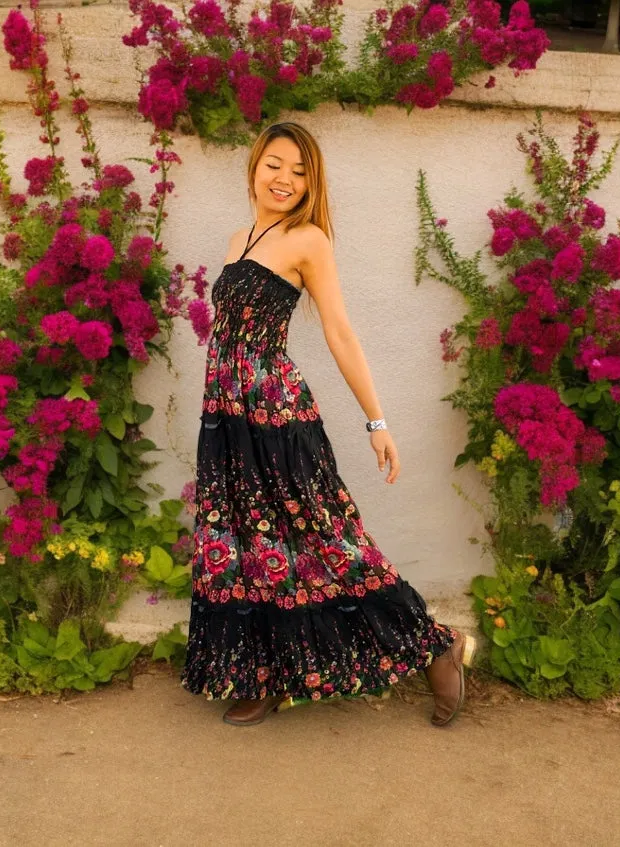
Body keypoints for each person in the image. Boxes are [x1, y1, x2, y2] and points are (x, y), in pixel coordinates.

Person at [181, 121, 471, 727]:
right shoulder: (239, 238)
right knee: (246, 550)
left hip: (280, 422)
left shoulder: (307, 239)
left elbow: (339, 332)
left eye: (299, 170)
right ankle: (261, 676)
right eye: (275, 165)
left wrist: (377, 421)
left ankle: (435, 646)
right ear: (255, 166)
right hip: (228, 422)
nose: (285, 179)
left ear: (311, 183)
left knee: (330, 546)